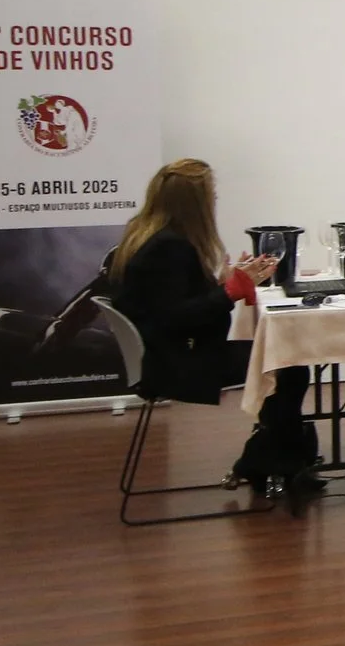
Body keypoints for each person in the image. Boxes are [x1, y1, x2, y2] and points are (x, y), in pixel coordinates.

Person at [108, 159, 314, 493]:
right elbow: (178, 318)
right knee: (288, 365)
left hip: (160, 356)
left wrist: (228, 282)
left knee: (284, 362)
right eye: (212, 195)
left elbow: (173, 302)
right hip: (176, 364)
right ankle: (271, 463)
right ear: (195, 204)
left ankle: (272, 461)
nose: (215, 201)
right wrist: (231, 290)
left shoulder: (146, 234)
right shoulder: (170, 248)